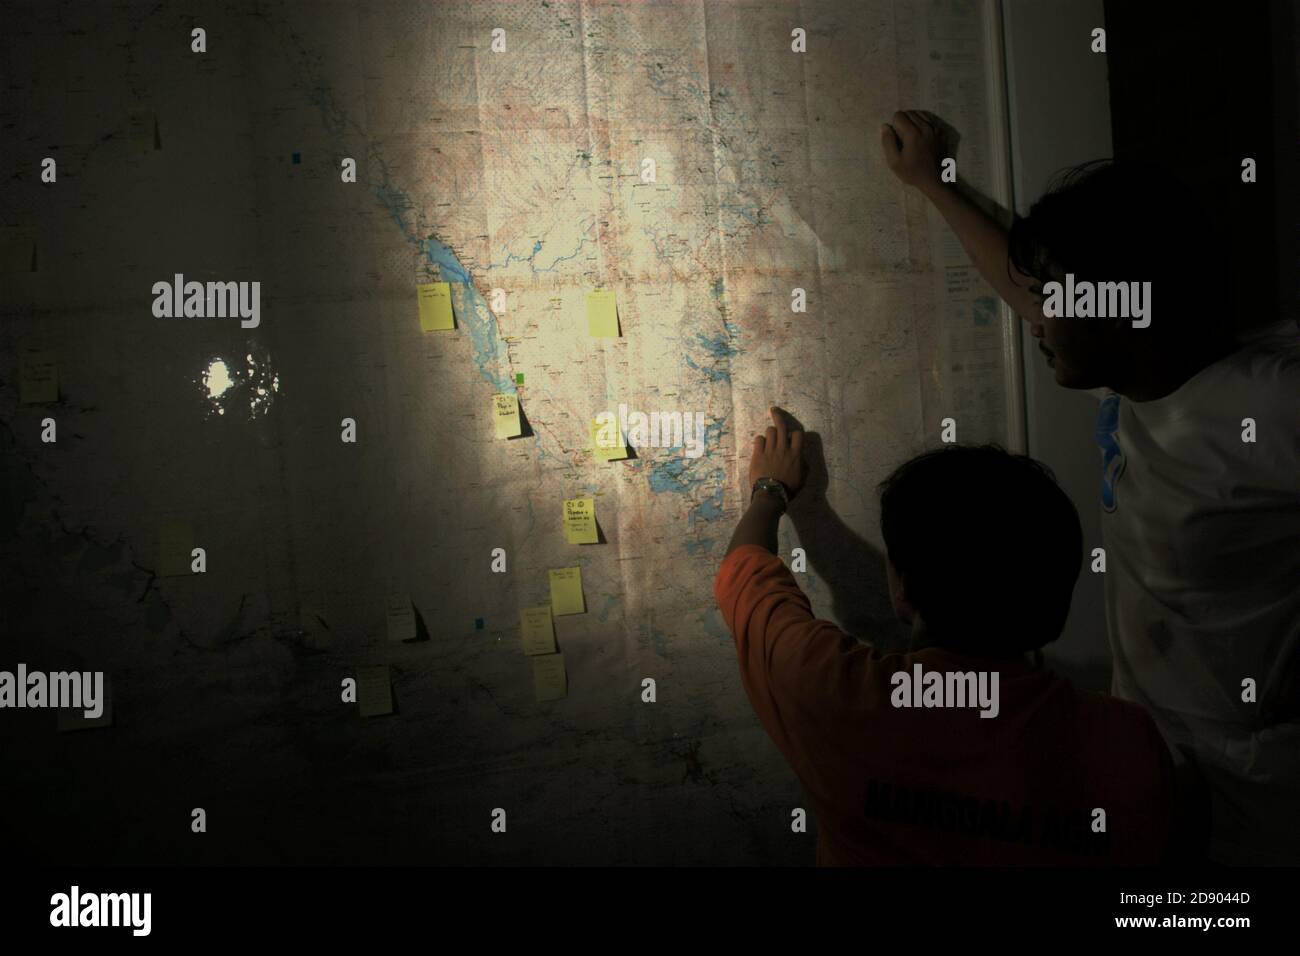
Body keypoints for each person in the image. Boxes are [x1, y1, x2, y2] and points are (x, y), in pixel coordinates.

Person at [880, 109, 1300, 864]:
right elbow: (1022, 285)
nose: (1037, 319)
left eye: (1057, 297)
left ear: (1125, 307)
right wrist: (936, 183)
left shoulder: (1266, 404)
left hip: (1260, 802)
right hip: (1153, 774)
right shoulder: (1138, 374)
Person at [714, 411, 1175, 864]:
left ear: (901, 588)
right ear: (1057, 606)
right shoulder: (1128, 746)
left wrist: (770, 490)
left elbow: (746, 577)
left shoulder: (832, 693)